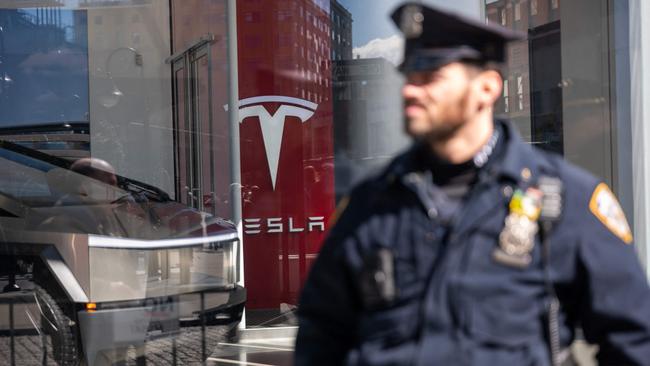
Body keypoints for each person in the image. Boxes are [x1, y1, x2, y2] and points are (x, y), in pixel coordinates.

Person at [294, 2, 650, 365]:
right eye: (409, 77)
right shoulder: (372, 202)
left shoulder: (564, 200)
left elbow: (635, 340)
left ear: (487, 88)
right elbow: (321, 334)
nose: (410, 91)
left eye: (430, 76)